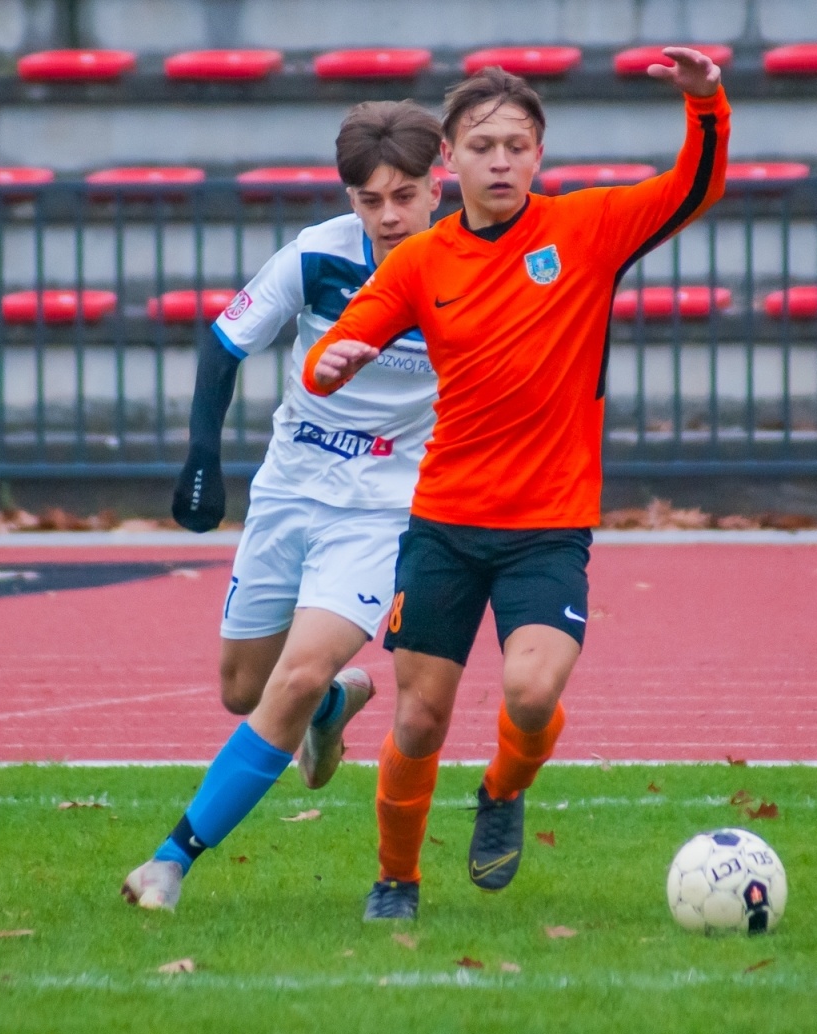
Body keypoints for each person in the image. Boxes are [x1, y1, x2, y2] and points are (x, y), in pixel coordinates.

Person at [304, 49, 730, 920]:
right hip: (445, 525)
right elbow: (333, 349)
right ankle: (397, 879)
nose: (501, 161)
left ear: (539, 156)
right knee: (419, 719)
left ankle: (501, 792)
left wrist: (705, 103)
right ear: (448, 163)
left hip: (547, 525)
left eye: (518, 145)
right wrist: (332, 360)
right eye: (483, 145)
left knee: (532, 694)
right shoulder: (421, 261)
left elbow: (693, 187)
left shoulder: (587, 229)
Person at [121, 100, 445, 911]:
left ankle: (170, 860)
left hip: (385, 505)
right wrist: (203, 454)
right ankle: (338, 703)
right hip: (292, 487)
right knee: (244, 689)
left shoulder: (468, 265)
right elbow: (225, 342)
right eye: (370, 200)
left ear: (438, 182)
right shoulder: (315, 259)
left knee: (294, 677)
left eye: (404, 195)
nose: (389, 216)